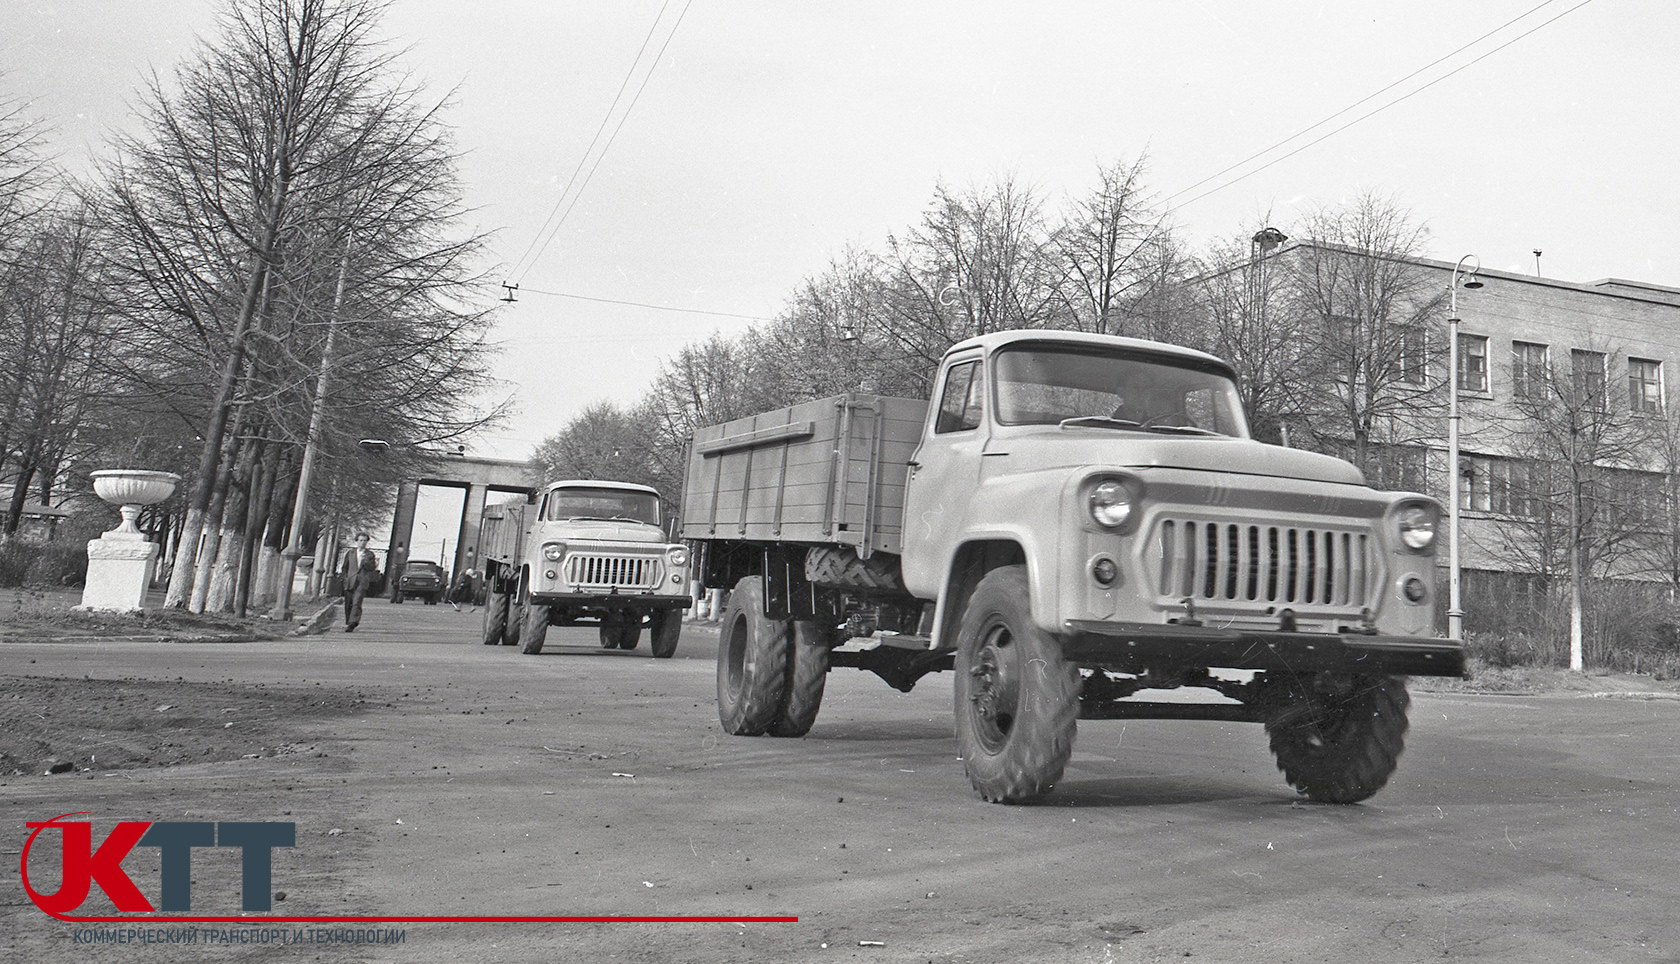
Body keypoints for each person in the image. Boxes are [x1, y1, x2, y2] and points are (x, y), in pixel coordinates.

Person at [339, 533, 379, 632]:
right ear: (356, 541)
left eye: (364, 541)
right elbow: (345, 567)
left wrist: (365, 562)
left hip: (362, 581)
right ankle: (349, 621)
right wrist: (344, 577)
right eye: (360, 540)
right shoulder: (350, 553)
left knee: (357, 602)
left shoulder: (369, 554)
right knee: (348, 603)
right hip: (350, 580)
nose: (362, 543)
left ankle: (353, 622)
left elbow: (372, 568)